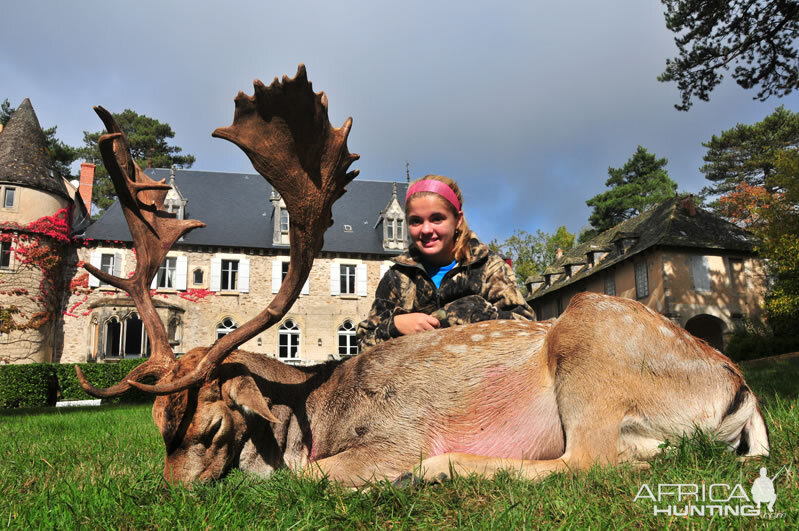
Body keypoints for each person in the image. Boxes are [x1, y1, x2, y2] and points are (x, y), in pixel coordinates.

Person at [357, 175, 535, 350]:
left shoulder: (489, 267)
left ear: (458, 220)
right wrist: (395, 326)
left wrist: (477, 313)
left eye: (437, 219)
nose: (426, 230)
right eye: (416, 221)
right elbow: (364, 345)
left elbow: (528, 329)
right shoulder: (397, 278)